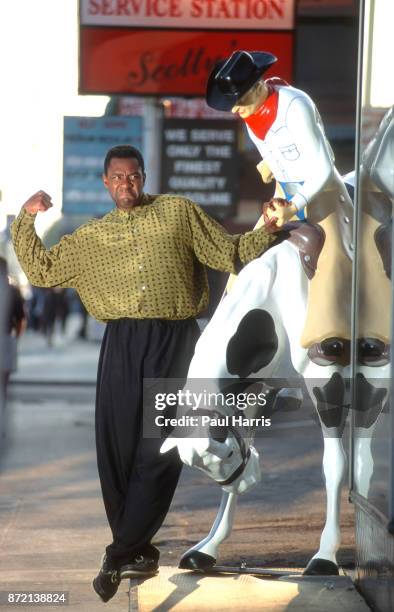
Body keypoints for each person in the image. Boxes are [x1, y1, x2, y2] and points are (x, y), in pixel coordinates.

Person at [11, 144, 279, 602]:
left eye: (133, 177)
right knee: (115, 446)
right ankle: (135, 549)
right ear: (105, 183)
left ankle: (118, 554)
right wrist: (25, 217)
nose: (126, 185)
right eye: (117, 178)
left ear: (144, 176)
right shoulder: (91, 238)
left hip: (175, 343)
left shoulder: (177, 213)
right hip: (120, 345)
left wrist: (269, 228)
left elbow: (228, 253)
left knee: (159, 448)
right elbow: (42, 270)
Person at [206, 50, 355, 365]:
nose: (236, 109)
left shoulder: (294, 106)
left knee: (333, 264)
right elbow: (273, 151)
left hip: (321, 196)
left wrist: (295, 205)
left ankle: (339, 342)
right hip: (284, 196)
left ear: (258, 87)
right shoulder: (251, 116)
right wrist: (270, 167)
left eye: (240, 100)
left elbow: (324, 168)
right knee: (242, 261)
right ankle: (218, 335)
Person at [0, 257, 26, 404]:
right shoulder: (13, 291)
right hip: (7, 337)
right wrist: (16, 338)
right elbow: (20, 318)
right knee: (4, 379)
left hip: (6, 337)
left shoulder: (12, 292)